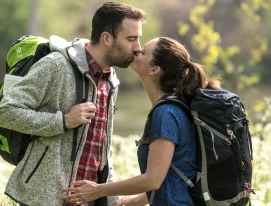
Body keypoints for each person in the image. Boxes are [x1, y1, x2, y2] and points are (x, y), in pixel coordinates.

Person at [0, 1, 146, 206]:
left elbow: (101, 146)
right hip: (45, 198)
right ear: (107, 38)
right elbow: (5, 114)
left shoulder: (110, 79)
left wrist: (109, 197)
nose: (138, 48)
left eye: (138, 39)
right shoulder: (56, 66)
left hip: (89, 198)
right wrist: (63, 120)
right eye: (131, 39)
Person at [63, 37, 220, 206]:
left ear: (154, 70)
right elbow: (175, 174)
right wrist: (136, 201)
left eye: (143, 52)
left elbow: (152, 180)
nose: (137, 50)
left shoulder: (166, 113)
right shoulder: (176, 107)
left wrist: (97, 190)